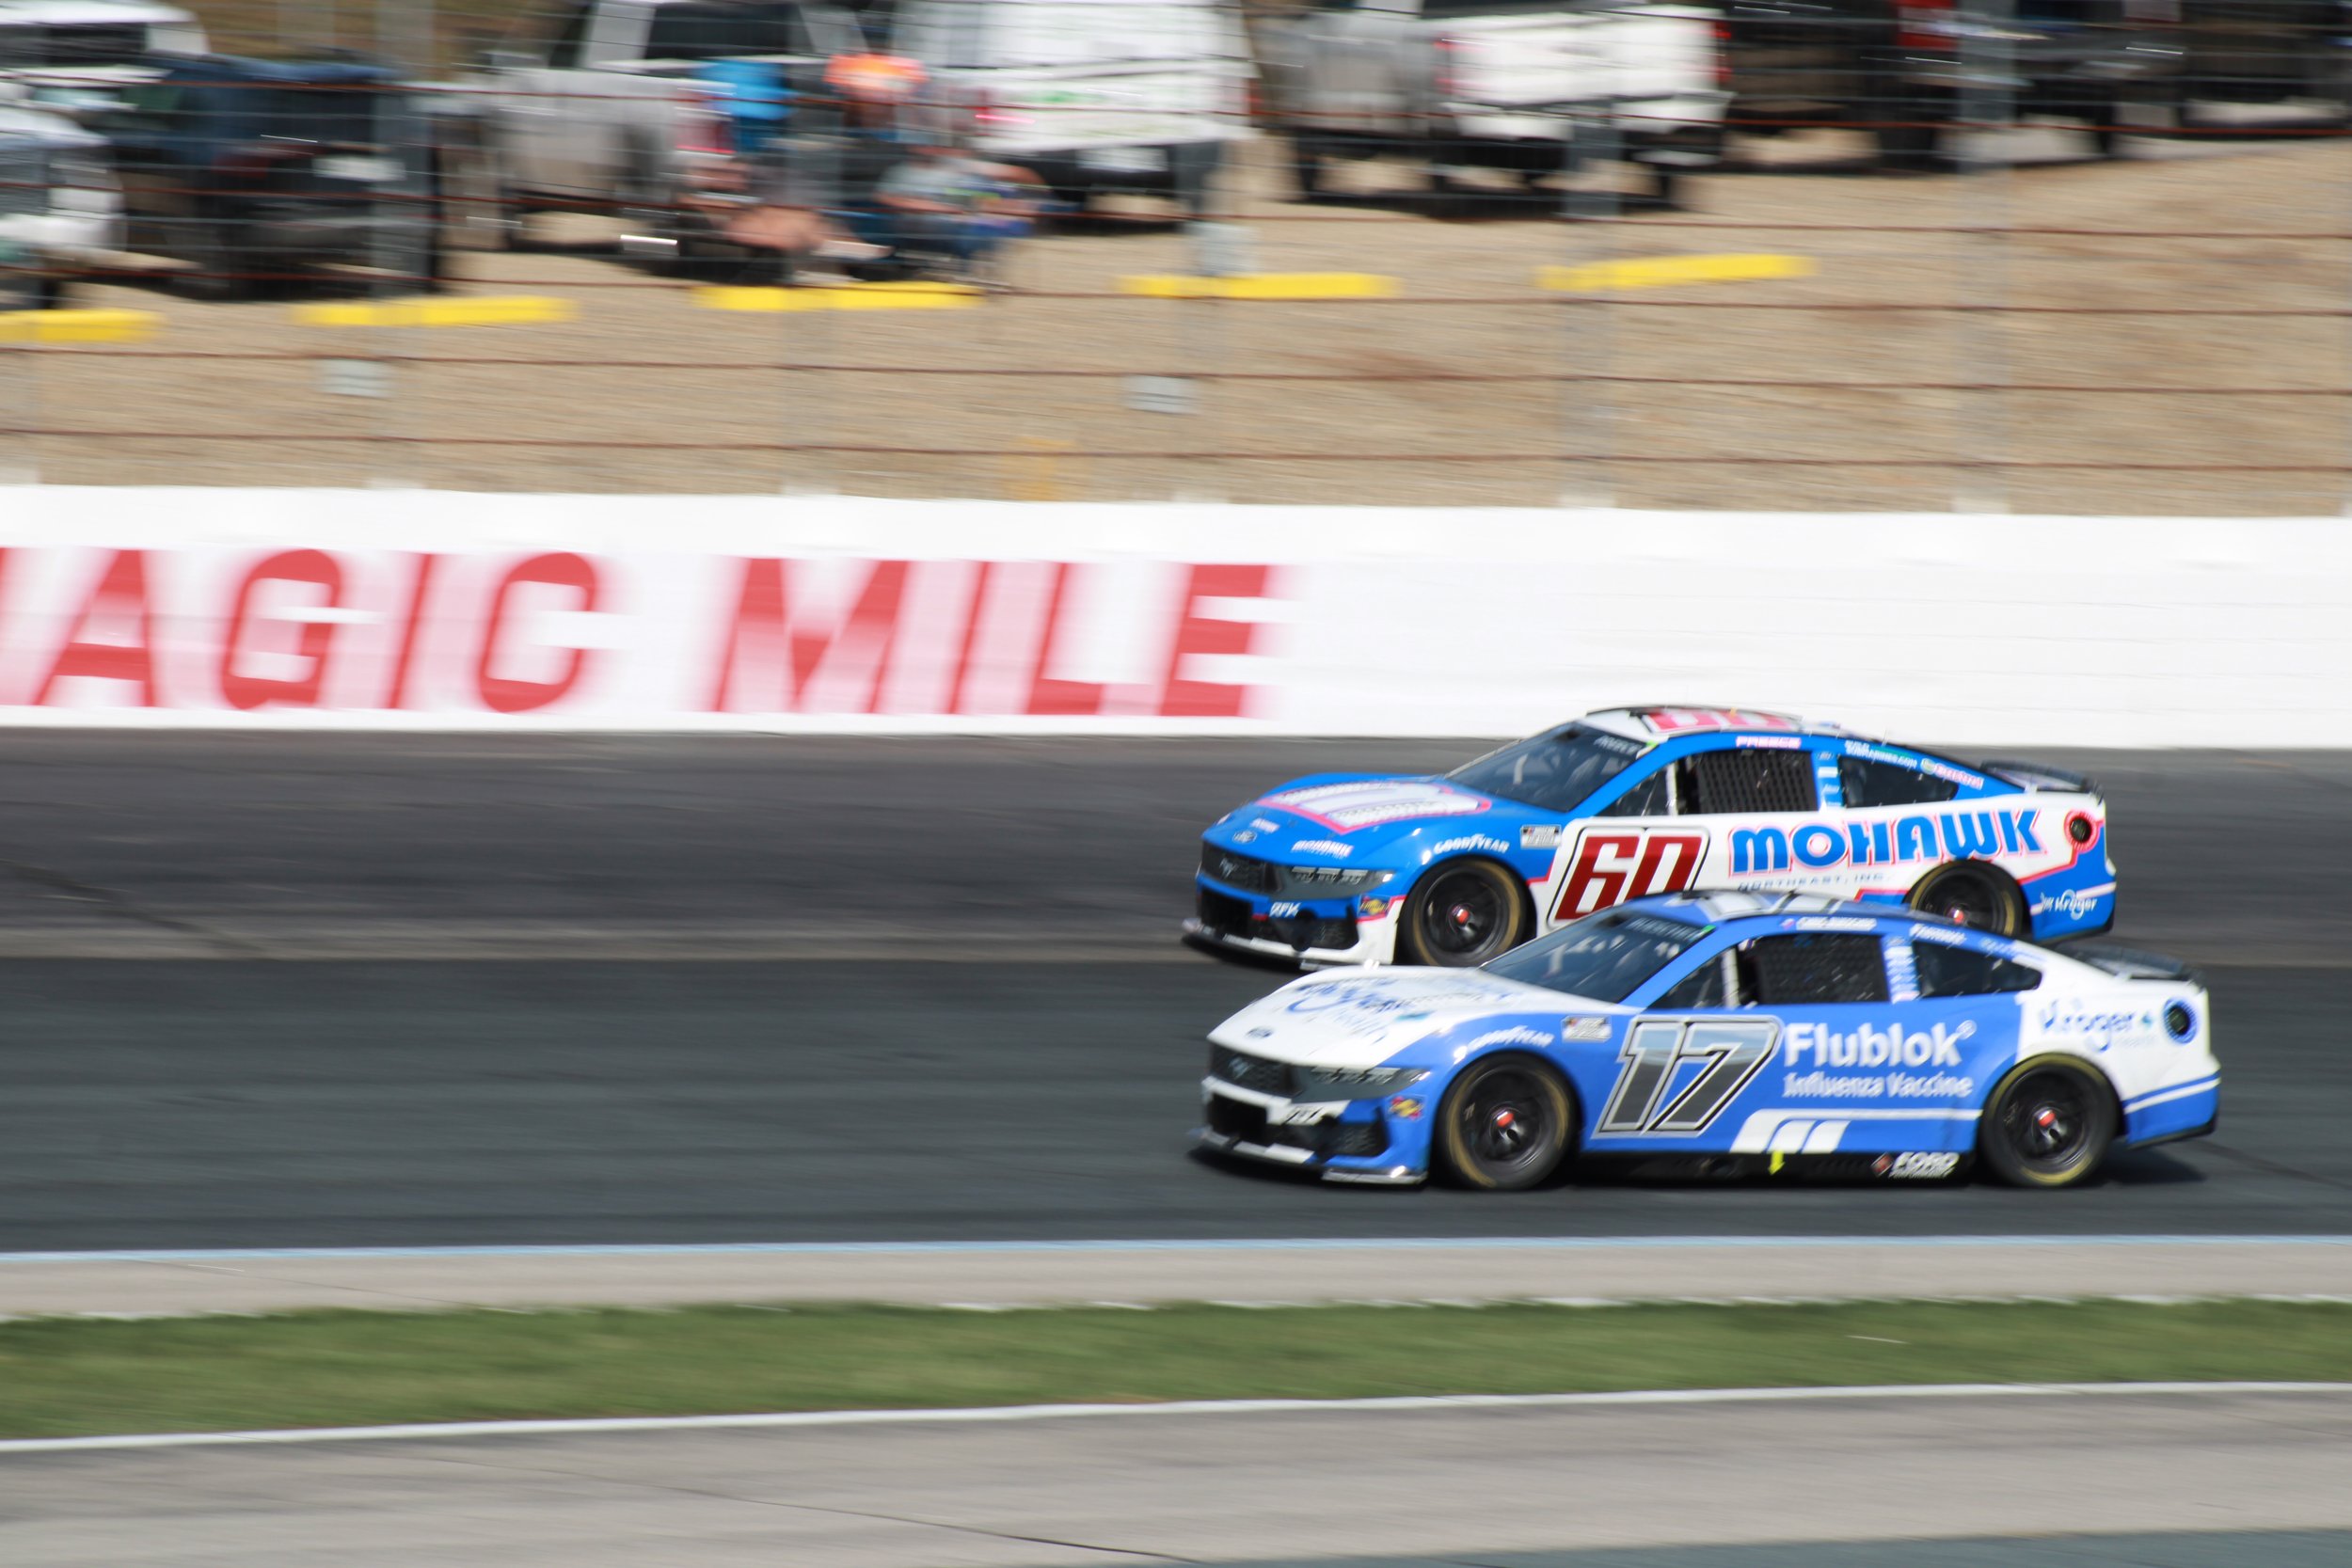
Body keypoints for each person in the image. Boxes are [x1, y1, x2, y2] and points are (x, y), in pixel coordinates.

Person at [870, 136, 1045, 280]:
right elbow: (885, 197)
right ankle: (969, 270)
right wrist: (928, 206)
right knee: (972, 227)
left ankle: (974, 272)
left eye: (933, 145)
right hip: (919, 222)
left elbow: (1017, 175)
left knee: (985, 222)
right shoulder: (902, 172)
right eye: (923, 145)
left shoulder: (956, 168)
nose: (928, 149)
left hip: (956, 218)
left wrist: (1027, 198)